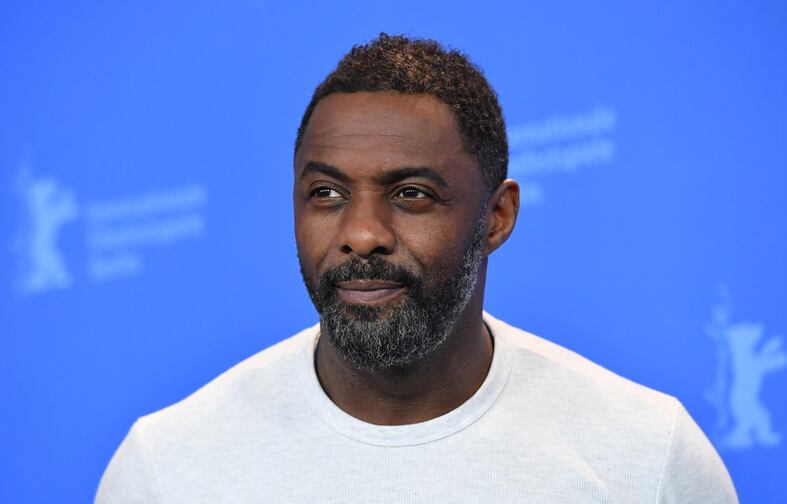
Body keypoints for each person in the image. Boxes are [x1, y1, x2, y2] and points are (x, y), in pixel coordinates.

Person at [96, 34, 737, 503]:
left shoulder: (649, 456)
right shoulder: (170, 466)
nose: (362, 234)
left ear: (497, 216)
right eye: (326, 194)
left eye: (411, 194)